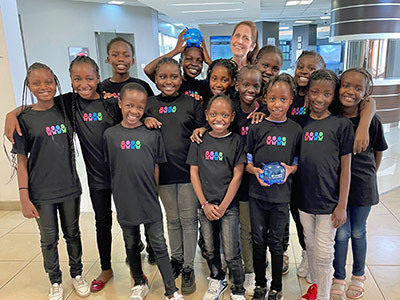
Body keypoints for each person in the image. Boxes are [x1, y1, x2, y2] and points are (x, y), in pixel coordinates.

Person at [10, 62, 90, 300]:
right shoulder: (24, 119)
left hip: (69, 187)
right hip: (41, 191)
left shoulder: (66, 106)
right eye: (37, 83)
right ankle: (55, 279)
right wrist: (24, 197)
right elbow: (21, 161)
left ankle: (77, 274)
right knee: (48, 239)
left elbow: (88, 92)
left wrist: (9, 112)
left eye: (48, 82)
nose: (44, 87)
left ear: (56, 82)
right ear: (29, 86)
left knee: (73, 234)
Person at [103, 82, 183, 300]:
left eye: (140, 107)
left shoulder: (152, 134)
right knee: (130, 242)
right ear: (120, 103)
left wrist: (153, 193)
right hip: (124, 199)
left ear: (145, 107)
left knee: (158, 242)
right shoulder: (110, 135)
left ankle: (171, 289)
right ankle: (138, 282)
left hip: (149, 198)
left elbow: (156, 166)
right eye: (129, 105)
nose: (134, 111)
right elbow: (112, 168)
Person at [144, 57, 205, 294]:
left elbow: (203, 129)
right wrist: (144, 119)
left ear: (181, 79)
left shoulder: (192, 104)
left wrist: (202, 129)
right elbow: (136, 123)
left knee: (189, 219)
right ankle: (177, 259)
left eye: (174, 76)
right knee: (172, 218)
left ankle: (189, 266)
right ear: (156, 79)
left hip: (188, 172)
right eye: (163, 77)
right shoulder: (148, 104)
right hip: (162, 172)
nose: (168, 81)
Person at [330, 68, 388, 300]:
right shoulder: (332, 117)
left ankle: (359, 275)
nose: (350, 92)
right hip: (337, 187)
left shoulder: (372, 120)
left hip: (363, 186)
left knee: (357, 230)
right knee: (341, 233)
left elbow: (378, 153)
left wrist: (369, 175)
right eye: (346, 85)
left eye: (358, 88)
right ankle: (339, 277)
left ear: (365, 93)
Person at [298, 69, 354, 300]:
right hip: (303, 200)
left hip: (329, 202)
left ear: (334, 96)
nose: (320, 99)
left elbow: (346, 168)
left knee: (323, 252)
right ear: (308, 93)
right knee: (310, 245)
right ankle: (315, 289)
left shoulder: (341, 125)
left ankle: (323, 295)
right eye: (315, 92)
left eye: (327, 94)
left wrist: (342, 205)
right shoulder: (299, 122)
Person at [246, 73, 302, 300]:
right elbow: (247, 160)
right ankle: (260, 284)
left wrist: (289, 170)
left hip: (281, 197)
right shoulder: (256, 127)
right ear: (264, 100)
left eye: (282, 99)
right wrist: (255, 172)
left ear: (290, 101)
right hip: (257, 194)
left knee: (276, 243)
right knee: (258, 241)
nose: (277, 104)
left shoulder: (296, 130)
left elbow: (297, 162)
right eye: (272, 99)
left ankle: (276, 287)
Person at [101, 36, 156, 266]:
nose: (120, 59)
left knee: (146, 201)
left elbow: (153, 109)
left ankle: (151, 244)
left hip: (140, 153)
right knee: (127, 204)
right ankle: (134, 244)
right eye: (115, 54)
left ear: (132, 60)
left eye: (125, 55)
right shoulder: (101, 87)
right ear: (108, 58)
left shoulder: (141, 85)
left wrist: (150, 117)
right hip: (117, 152)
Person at [187, 94, 246, 300]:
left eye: (223, 114)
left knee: (231, 250)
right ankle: (217, 278)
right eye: (213, 114)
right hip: (205, 206)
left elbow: (238, 175)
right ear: (206, 115)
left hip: (228, 207)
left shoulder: (237, 141)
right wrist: (204, 204)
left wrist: (223, 206)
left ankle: (238, 288)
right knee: (210, 248)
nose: (218, 118)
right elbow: (194, 172)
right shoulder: (199, 140)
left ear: (231, 117)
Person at [232, 65, 266, 296]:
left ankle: (260, 267)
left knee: (259, 229)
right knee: (244, 229)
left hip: (259, 180)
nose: (250, 89)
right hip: (235, 180)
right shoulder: (230, 110)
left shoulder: (264, 112)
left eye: (255, 85)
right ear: (236, 85)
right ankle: (249, 270)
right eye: (245, 84)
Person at [144, 28, 211, 105]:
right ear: (180, 61)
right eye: (188, 59)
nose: (194, 64)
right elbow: (148, 69)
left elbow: (225, 76)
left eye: (199, 61)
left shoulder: (204, 85)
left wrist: (209, 61)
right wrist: (175, 51)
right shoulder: (173, 83)